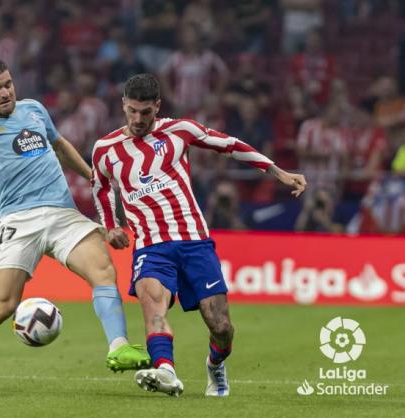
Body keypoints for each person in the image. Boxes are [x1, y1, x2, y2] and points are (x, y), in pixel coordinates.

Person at [0, 56, 150, 391]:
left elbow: (60, 146)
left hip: (61, 213)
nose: (5, 93)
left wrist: (94, 178)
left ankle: (118, 347)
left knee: (102, 269)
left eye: (8, 84)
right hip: (18, 220)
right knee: (3, 306)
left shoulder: (34, 110)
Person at [91, 74, 306, 397]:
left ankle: (215, 364)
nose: (138, 119)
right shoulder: (105, 149)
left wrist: (278, 172)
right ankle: (165, 370)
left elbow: (231, 145)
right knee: (153, 303)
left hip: (194, 241)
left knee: (221, 326)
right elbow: (102, 187)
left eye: (145, 112)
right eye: (132, 111)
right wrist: (111, 226)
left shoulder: (180, 131)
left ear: (157, 107)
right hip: (151, 246)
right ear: (123, 105)